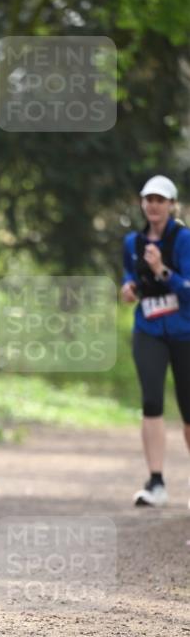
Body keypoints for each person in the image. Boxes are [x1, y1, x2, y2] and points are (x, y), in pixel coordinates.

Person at [120, 174, 190, 506]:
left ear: (171, 205)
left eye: (160, 200)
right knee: (151, 402)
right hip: (148, 330)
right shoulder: (132, 242)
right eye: (149, 199)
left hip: (185, 332)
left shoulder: (184, 240)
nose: (154, 205)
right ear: (142, 203)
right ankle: (156, 482)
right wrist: (129, 288)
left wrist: (163, 270)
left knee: (189, 410)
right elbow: (129, 275)